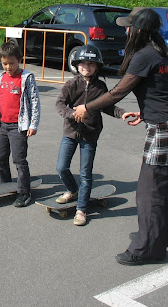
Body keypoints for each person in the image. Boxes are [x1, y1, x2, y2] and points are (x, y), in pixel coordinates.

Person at [73, 7, 168, 265]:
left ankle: (147, 248)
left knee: (149, 191)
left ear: (138, 30)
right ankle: (162, 236)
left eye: (129, 26)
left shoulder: (144, 56)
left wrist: (87, 106)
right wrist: (146, 113)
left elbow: (116, 93)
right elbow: (162, 91)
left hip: (164, 129)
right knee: (163, 185)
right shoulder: (161, 51)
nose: (125, 29)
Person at [54, 44, 126, 226]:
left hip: (90, 135)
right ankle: (72, 189)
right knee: (62, 167)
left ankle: (81, 209)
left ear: (97, 67)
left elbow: (108, 106)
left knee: (86, 174)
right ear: (77, 65)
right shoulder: (71, 84)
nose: (86, 67)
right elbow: (60, 104)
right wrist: (73, 114)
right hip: (70, 133)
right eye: (83, 63)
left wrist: (122, 113)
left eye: (91, 64)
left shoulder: (100, 87)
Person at [0, 41, 41, 207]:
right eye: (4, 63)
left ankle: (24, 193)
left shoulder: (26, 78)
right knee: (0, 158)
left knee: (19, 160)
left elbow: (34, 102)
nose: (8, 67)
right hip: (2, 125)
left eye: (11, 63)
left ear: (19, 60)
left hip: (18, 126)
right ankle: (6, 186)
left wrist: (33, 125)